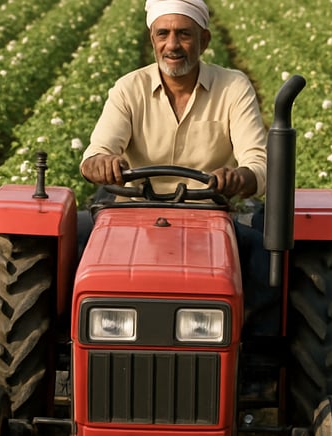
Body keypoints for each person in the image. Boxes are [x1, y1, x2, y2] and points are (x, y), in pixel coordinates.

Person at [78, 0, 279, 336]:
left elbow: (258, 164)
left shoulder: (232, 87)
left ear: (204, 40)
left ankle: (256, 361)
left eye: (184, 34)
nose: (172, 45)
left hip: (210, 217)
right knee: (65, 253)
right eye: (163, 33)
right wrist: (102, 163)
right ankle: (66, 355)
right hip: (134, 216)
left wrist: (238, 177)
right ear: (152, 39)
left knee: (268, 260)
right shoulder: (129, 88)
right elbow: (97, 153)